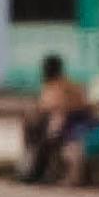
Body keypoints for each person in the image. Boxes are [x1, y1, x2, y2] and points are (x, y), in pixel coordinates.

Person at [22, 51, 89, 182]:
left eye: (45, 68)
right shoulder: (58, 85)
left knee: (44, 138)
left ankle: (36, 173)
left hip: (70, 123)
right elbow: (43, 108)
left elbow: (59, 109)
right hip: (58, 123)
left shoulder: (61, 86)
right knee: (38, 134)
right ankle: (35, 171)